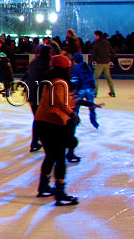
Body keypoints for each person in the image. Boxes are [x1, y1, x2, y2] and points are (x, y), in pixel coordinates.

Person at [33, 54, 80, 206]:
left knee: (50, 156)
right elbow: (60, 102)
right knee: (59, 157)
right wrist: (72, 114)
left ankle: (44, 186)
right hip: (53, 123)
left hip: (40, 121)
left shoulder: (49, 81)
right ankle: (60, 192)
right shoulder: (60, 83)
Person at [22, 45, 52, 152]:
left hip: (31, 94)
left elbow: (28, 76)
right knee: (43, 120)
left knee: (38, 118)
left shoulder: (34, 62)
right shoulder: (47, 64)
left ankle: (36, 141)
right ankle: (41, 141)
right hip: (41, 95)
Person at [71, 53, 99, 129]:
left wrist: (74, 90)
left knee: (76, 106)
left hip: (81, 90)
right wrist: (93, 88)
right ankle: (94, 122)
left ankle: (75, 122)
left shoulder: (75, 68)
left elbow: (75, 80)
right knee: (91, 105)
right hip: (89, 89)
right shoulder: (87, 66)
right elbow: (91, 77)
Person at [91, 30, 116, 97]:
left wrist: (91, 61)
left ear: (98, 36)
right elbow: (113, 51)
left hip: (99, 63)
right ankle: (112, 91)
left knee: (95, 77)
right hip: (106, 62)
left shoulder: (96, 43)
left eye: (95, 35)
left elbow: (94, 53)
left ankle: (95, 92)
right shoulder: (107, 43)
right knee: (108, 77)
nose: (95, 36)